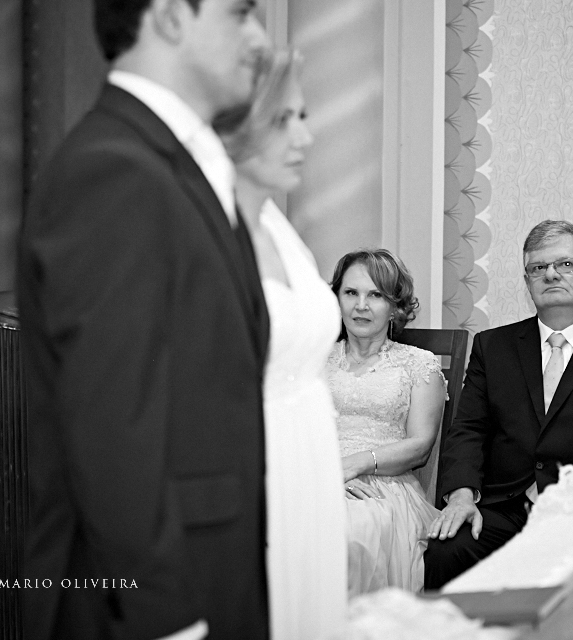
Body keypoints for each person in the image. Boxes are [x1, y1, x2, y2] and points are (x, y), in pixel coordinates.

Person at [15, 1, 270, 639]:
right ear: (168, 16)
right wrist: (168, 618)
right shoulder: (115, 169)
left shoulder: (173, 165)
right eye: (241, 13)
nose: (260, 39)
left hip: (213, 575)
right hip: (147, 606)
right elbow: (110, 428)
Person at [217, 50, 347, 639]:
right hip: (252, 461)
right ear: (236, 128)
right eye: (285, 119)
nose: (307, 135)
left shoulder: (277, 225)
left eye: (304, 115)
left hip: (308, 458)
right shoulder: (209, 231)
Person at [423, 220, 573, 589]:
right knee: (446, 550)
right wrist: (461, 497)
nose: (551, 274)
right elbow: (469, 429)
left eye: (566, 264)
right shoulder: (493, 347)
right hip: (504, 508)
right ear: (527, 282)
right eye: (538, 268)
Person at [325, 249, 446, 596]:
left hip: (382, 488)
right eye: (351, 293)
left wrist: (353, 465)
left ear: (394, 306)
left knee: (347, 535)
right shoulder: (315, 360)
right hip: (319, 478)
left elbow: (421, 446)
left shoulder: (419, 365)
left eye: (375, 295)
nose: (361, 305)